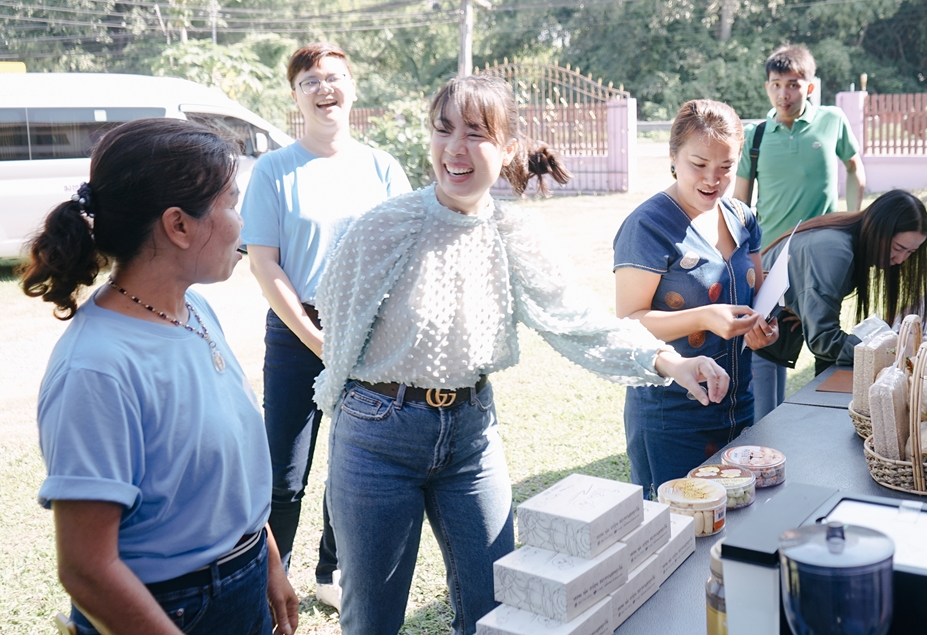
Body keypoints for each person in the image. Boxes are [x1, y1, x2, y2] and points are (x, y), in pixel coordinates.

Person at [311, 75, 729, 635]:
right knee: (372, 621)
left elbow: (577, 319)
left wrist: (671, 362)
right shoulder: (383, 227)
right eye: (444, 130)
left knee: (496, 612)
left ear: (507, 148)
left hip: (470, 438)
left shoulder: (512, 233)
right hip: (377, 438)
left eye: (476, 134)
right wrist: (341, 409)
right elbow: (336, 326)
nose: (455, 149)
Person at [23, 119, 298, 635]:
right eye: (232, 203)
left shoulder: (192, 310)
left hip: (241, 577)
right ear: (179, 225)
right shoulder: (96, 367)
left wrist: (268, 562)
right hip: (172, 609)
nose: (243, 220)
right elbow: (86, 567)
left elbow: (227, 470)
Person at [240, 42, 410, 609]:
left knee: (355, 464)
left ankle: (331, 574)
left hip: (370, 331)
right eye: (310, 80)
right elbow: (264, 263)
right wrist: (315, 340)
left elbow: (406, 254)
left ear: (352, 89)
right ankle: (271, 580)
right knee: (285, 475)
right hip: (296, 330)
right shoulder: (273, 170)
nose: (324, 88)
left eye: (334, 77)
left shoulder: (383, 168)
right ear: (295, 96)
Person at [614, 99, 777, 496]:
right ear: (673, 157)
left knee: (737, 523)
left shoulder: (741, 216)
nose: (713, 179)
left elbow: (755, 295)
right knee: (681, 536)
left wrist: (762, 327)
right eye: (699, 164)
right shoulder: (647, 225)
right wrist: (705, 318)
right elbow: (628, 322)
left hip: (741, 405)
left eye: (726, 167)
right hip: (673, 414)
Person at [734, 44, 867, 420]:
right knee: (766, 353)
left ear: (809, 87)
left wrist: (852, 222)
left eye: (793, 85)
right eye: (776, 85)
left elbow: (856, 169)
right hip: (769, 265)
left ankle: (829, 420)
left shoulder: (832, 120)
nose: (784, 94)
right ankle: (765, 434)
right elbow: (739, 205)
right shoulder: (756, 136)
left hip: (821, 261)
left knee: (827, 344)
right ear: (767, 88)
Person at [763, 189, 927, 373]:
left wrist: (806, 309)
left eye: (910, 252)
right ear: (878, 230)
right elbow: (824, 339)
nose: (900, 260)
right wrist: (889, 352)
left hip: (769, 329)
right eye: (898, 248)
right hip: (749, 331)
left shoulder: (852, 233)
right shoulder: (835, 252)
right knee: (762, 401)